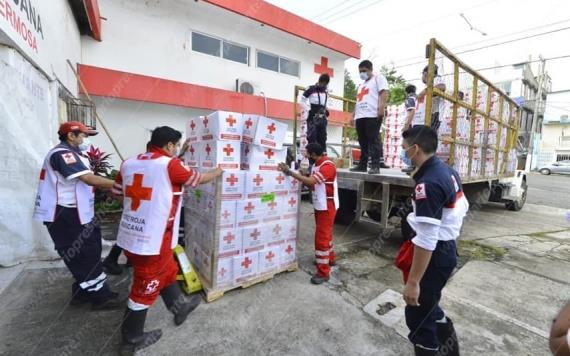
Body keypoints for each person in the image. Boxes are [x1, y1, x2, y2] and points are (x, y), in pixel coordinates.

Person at [114, 126, 223, 353]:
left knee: (167, 269)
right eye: (175, 146)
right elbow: (199, 178)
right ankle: (131, 338)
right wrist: (219, 171)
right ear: (169, 145)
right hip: (152, 239)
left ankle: (179, 306)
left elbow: (116, 192)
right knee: (145, 287)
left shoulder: (129, 163)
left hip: (131, 233)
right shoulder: (170, 165)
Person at [33, 121, 124, 310]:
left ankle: (82, 292)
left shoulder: (75, 155)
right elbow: (87, 178)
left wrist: (110, 191)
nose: (85, 140)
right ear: (70, 136)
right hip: (66, 214)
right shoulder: (63, 154)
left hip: (77, 212)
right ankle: (101, 298)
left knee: (89, 250)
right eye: (83, 135)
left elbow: (86, 184)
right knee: (85, 254)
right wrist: (122, 185)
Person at [398, 126, 468, 356]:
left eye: (404, 148)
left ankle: (430, 349)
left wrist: (414, 282)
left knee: (418, 319)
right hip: (446, 251)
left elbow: (427, 239)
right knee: (430, 308)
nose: (402, 152)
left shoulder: (427, 184)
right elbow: (462, 207)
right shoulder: (447, 171)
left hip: (435, 255)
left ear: (415, 148)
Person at [102, 140, 191, 275]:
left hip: (136, 205)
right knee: (135, 232)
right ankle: (115, 260)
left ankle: (122, 260)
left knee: (132, 232)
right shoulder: (152, 165)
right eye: (174, 146)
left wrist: (182, 152)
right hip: (142, 205)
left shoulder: (142, 163)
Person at [278, 143, 338, 284]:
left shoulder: (328, 166)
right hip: (320, 204)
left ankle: (323, 272)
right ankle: (329, 259)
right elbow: (312, 185)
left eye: (307, 154)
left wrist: (291, 173)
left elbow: (311, 181)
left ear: (313, 154)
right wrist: (302, 175)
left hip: (327, 206)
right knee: (326, 235)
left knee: (321, 238)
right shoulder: (317, 164)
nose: (306, 157)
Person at [349, 60, 390, 174]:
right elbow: (358, 101)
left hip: (372, 114)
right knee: (362, 141)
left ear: (370, 70)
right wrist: (352, 116)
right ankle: (362, 165)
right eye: (360, 71)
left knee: (373, 140)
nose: (362, 73)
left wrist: (381, 109)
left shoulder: (378, 78)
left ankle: (375, 165)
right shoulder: (361, 85)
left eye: (364, 71)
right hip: (360, 116)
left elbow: (383, 93)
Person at [412, 65, 447, 131]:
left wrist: (424, 92)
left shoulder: (436, 78)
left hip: (435, 113)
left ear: (425, 74)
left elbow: (442, 87)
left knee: (429, 134)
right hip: (431, 114)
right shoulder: (430, 83)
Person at [302, 74, 330, 153]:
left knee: (322, 137)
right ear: (319, 81)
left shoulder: (326, 91)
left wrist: (327, 110)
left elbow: (327, 103)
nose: (323, 85)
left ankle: (322, 155)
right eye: (323, 83)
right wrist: (308, 109)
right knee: (312, 137)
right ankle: (312, 160)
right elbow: (302, 100)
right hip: (313, 115)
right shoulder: (311, 88)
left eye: (325, 84)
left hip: (322, 115)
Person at [401, 84, 418, 173]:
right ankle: (414, 166)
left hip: (411, 124)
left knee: (409, 145)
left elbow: (411, 111)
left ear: (406, 92)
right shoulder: (418, 98)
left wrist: (406, 126)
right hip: (417, 123)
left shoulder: (410, 99)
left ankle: (411, 166)